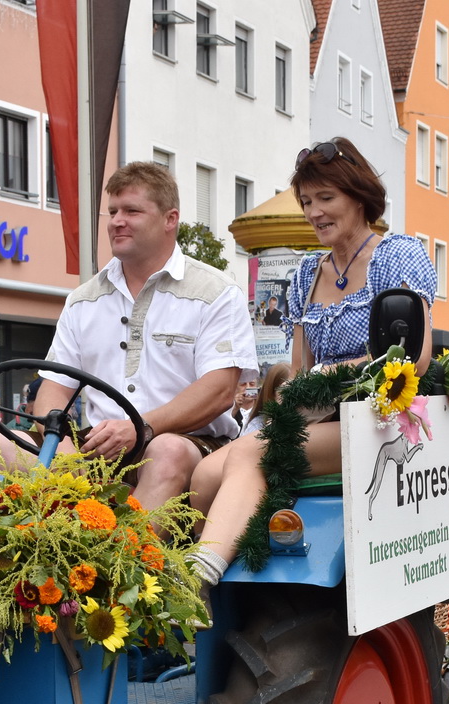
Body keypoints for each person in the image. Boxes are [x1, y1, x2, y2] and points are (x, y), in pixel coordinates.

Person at [185, 139, 436, 586]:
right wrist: (293, 391)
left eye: (326, 198)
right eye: (306, 201)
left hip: (378, 414)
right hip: (315, 415)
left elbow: (414, 358)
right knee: (203, 473)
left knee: (248, 451)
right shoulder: (305, 273)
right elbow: (302, 368)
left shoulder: (396, 255)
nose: (314, 212)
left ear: (358, 197)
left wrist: (334, 375)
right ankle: (222, 599)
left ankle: (200, 576)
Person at [0, 160, 257, 524]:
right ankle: (24, 558)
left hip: (188, 442)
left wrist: (141, 427)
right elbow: (53, 390)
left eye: (132, 210)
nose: (117, 220)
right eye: (113, 211)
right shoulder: (84, 299)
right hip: (98, 448)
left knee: (166, 450)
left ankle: (127, 569)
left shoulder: (215, 291)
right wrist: (65, 447)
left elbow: (219, 391)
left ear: (170, 219)